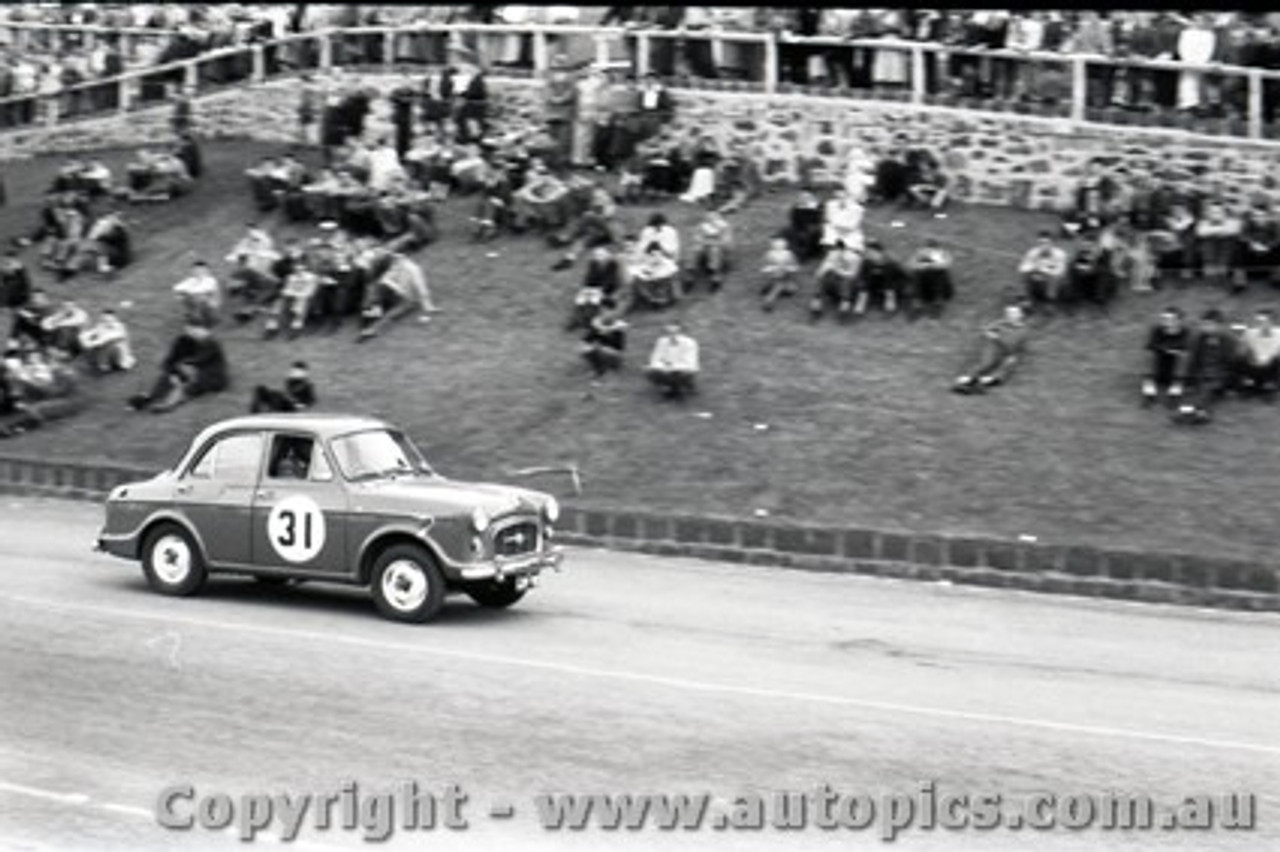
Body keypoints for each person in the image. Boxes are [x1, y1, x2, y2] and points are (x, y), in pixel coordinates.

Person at [127, 322, 229, 414]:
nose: (192, 333)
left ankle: (168, 405)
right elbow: (170, 360)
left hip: (211, 376)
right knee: (167, 376)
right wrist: (173, 373)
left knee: (186, 385)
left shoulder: (210, 342)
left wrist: (180, 372)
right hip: (193, 371)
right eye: (189, 330)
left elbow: (199, 361)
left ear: (203, 329)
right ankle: (149, 397)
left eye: (195, 330)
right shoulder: (183, 340)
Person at [1174, 309, 1237, 424]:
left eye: (1209, 324)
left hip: (1221, 375)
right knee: (1195, 389)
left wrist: (1230, 386)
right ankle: (1196, 412)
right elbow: (1192, 360)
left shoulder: (1229, 340)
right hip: (1202, 372)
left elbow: (1232, 363)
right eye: (1203, 324)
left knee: (1207, 387)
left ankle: (1198, 412)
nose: (1204, 327)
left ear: (1219, 325)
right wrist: (1189, 380)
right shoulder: (1198, 338)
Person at [359, 252, 438, 341]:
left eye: (396, 261)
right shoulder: (403, 267)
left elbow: (421, 288)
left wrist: (428, 306)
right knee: (382, 304)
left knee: (385, 309)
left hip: (397, 294)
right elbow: (386, 280)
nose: (395, 263)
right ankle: (370, 326)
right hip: (394, 292)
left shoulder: (407, 268)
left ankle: (370, 327)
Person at [952, 303, 1030, 394]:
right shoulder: (1001, 323)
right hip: (994, 349)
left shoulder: (1022, 331)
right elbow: (987, 330)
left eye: (1013, 313)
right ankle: (970, 381)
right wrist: (989, 333)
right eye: (1008, 313)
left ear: (1021, 315)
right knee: (986, 362)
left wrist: (997, 338)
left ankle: (977, 382)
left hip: (1006, 353)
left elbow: (1013, 346)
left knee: (1005, 365)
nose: (1009, 315)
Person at [1142, 306, 1190, 407]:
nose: (1167, 321)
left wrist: (1166, 349)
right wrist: (1167, 349)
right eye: (1164, 318)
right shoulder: (1157, 330)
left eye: (1171, 319)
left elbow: (1185, 346)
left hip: (1174, 368)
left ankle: (1174, 394)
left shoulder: (1185, 332)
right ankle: (1149, 394)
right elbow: (1150, 345)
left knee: (1183, 357)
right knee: (1150, 354)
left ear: (1179, 321)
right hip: (1159, 365)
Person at [646, 321, 700, 400]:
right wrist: (662, 367)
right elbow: (655, 359)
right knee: (649, 370)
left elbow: (690, 364)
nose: (672, 335)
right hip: (666, 368)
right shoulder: (662, 341)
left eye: (675, 332)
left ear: (681, 332)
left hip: (684, 370)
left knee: (679, 374)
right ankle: (670, 388)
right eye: (669, 333)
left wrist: (672, 367)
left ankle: (684, 387)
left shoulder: (689, 343)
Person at [1018, 230, 1069, 313]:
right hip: (1037, 282)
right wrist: (1033, 268)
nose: (1042, 246)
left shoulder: (1060, 254)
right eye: (1040, 243)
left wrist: (1043, 271)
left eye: (1046, 243)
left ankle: (1050, 302)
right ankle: (1025, 300)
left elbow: (1061, 272)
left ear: (1052, 244)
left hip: (1054, 285)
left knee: (1054, 276)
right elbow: (1022, 268)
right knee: (1024, 273)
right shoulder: (1032, 252)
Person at [810, 241, 862, 321]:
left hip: (848, 281)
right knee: (822, 279)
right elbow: (824, 266)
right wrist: (821, 272)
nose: (837, 253)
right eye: (836, 250)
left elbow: (853, 274)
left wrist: (839, 271)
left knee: (846, 283)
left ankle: (843, 312)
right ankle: (816, 309)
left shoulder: (855, 258)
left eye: (839, 251)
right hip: (835, 280)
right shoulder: (832, 254)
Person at [1236, 309, 1280, 399]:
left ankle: (1269, 385)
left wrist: (1269, 359)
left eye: (1264, 321)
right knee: (1240, 358)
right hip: (1255, 365)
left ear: (1271, 322)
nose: (1261, 325)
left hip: (1271, 365)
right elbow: (1241, 351)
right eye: (1258, 322)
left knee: (1276, 360)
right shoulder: (1250, 333)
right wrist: (1241, 338)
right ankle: (1251, 384)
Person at [907, 238, 954, 318]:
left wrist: (930, 265)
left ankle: (938, 303)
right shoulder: (921, 254)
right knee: (917, 274)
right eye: (926, 250)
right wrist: (922, 265)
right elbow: (911, 264)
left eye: (930, 250)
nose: (928, 253)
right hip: (925, 288)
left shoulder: (942, 254)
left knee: (941, 273)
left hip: (940, 288)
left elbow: (946, 264)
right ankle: (917, 304)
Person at [78, 309, 136, 374]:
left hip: (118, 355)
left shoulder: (120, 327)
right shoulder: (101, 325)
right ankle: (103, 363)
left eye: (109, 320)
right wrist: (83, 336)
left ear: (114, 319)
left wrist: (88, 344)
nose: (106, 322)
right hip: (106, 352)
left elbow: (104, 339)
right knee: (100, 344)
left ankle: (104, 364)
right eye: (104, 319)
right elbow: (92, 332)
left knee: (108, 344)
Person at [688, 211, 732, 293]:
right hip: (705, 251)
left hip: (720, 252)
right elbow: (696, 239)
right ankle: (690, 274)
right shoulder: (701, 226)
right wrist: (708, 242)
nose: (710, 220)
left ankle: (716, 277)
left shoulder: (725, 227)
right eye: (708, 218)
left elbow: (725, 243)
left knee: (714, 250)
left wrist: (707, 242)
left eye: (713, 218)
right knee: (695, 249)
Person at [251, 360, 318, 413]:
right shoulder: (289, 381)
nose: (293, 372)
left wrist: (301, 405)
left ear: (303, 373)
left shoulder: (307, 385)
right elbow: (288, 392)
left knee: (279, 397)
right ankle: (255, 411)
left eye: (296, 371)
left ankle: (273, 413)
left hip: (292, 407)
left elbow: (311, 400)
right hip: (285, 402)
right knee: (260, 389)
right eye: (293, 371)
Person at [580, 310, 628, 379]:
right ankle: (597, 367)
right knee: (587, 350)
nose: (605, 315)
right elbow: (586, 340)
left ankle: (601, 369)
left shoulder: (618, 329)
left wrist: (603, 348)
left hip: (614, 355)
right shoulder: (597, 326)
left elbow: (619, 349)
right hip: (601, 351)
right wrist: (586, 346)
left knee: (599, 351)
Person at [173, 260, 222, 327]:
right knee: (184, 296)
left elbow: (204, 290)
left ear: (207, 271)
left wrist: (188, 291)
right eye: (196, 271)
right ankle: (195, 315)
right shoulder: (191, 280)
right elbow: (177, 288)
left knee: (199, 297)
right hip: (197, 302)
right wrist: (182, 294)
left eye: (201, 271)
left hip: (209, 303)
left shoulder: (210, 280)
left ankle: (204, 318)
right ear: (192, 271)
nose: (198, 273)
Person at [760, 237, 801, 311]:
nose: (779, 247)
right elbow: (763, 267)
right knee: (779, 286)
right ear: (773, 246)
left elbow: (795, 266)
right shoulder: (769, 254)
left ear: (785, 245)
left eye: (781, 245)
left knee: (791, 290)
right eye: (777, 245)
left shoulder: (789, 254)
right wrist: (770, 268)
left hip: (786, 277)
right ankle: (768, 301)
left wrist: (790, 268)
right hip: (774, 277)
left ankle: (769, 288)